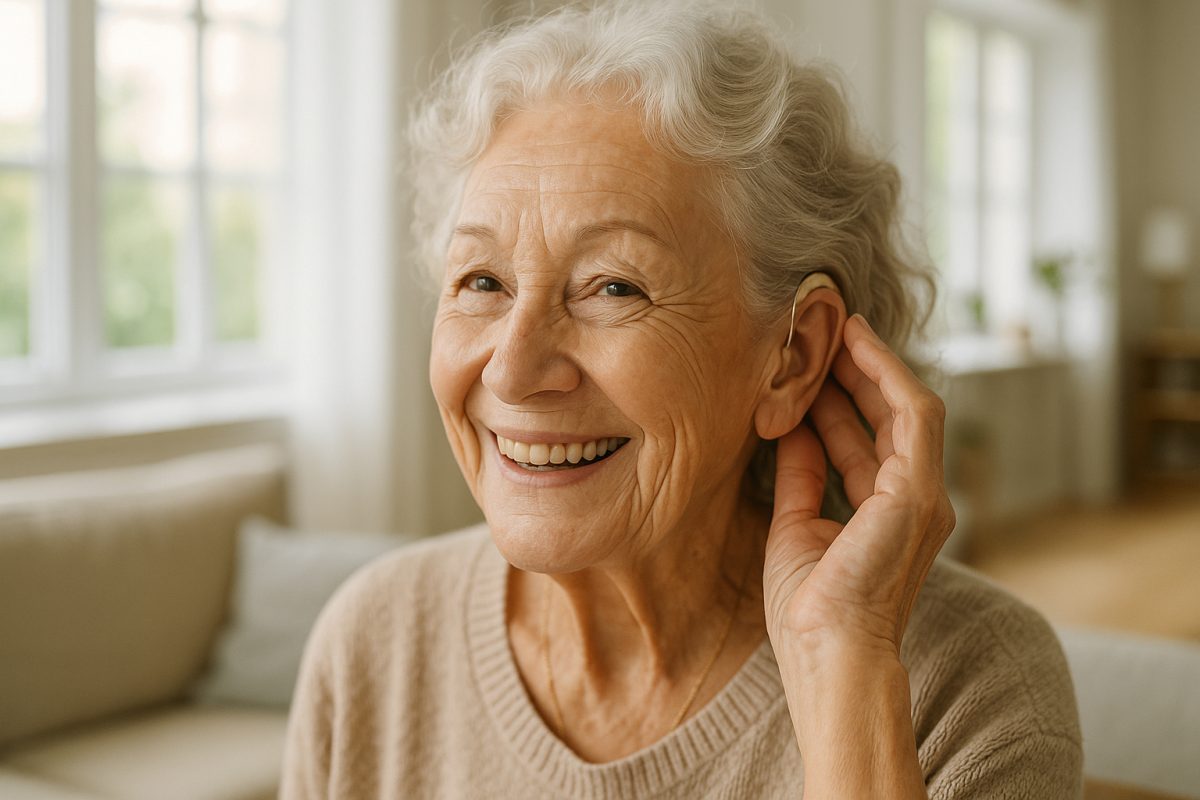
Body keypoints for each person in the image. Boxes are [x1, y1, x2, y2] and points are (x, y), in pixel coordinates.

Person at [281, 2, 1083, 797]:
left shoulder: (971, 693)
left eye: (614, 287)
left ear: (791, 358)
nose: (512, 372)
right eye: (482, 281)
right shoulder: (372, 641)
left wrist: (845, 674)